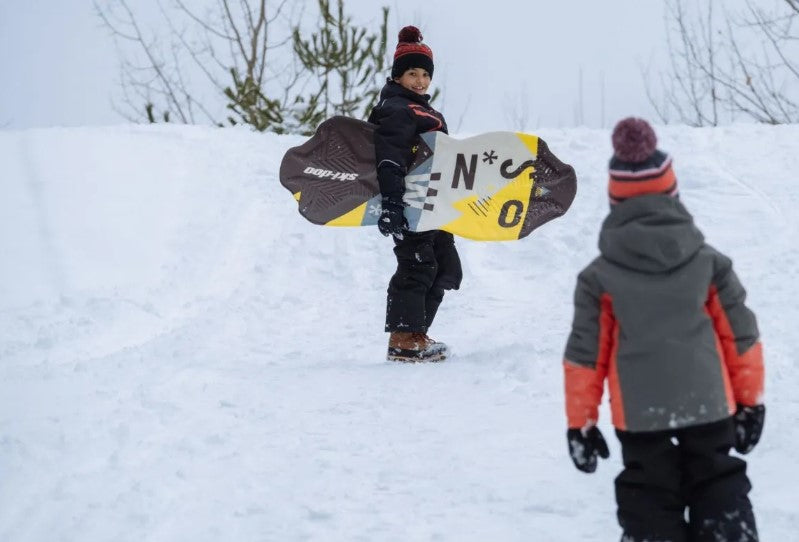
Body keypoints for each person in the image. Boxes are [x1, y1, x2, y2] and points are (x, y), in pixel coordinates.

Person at [562, 117, 766, 541]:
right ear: (673, 195)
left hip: (641, 415)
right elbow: (740, 336)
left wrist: (580, 423)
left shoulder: (598, 279)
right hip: (709, 405)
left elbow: (586, 355)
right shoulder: (710, 264)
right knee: (717, 483)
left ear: (615, 202)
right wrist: (750, 402)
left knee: (648, 496)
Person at [367, 26, 462, 363]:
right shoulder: (397, 109)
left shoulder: (429, 113)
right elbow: (390, 157)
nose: (420, 81)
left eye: (425, 74)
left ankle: (416, 333)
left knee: (445, 267)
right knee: (417, 264)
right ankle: (404, 339)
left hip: (435, 204)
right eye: (412, 73)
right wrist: (392, 204)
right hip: (410, 203)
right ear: (398, 76)